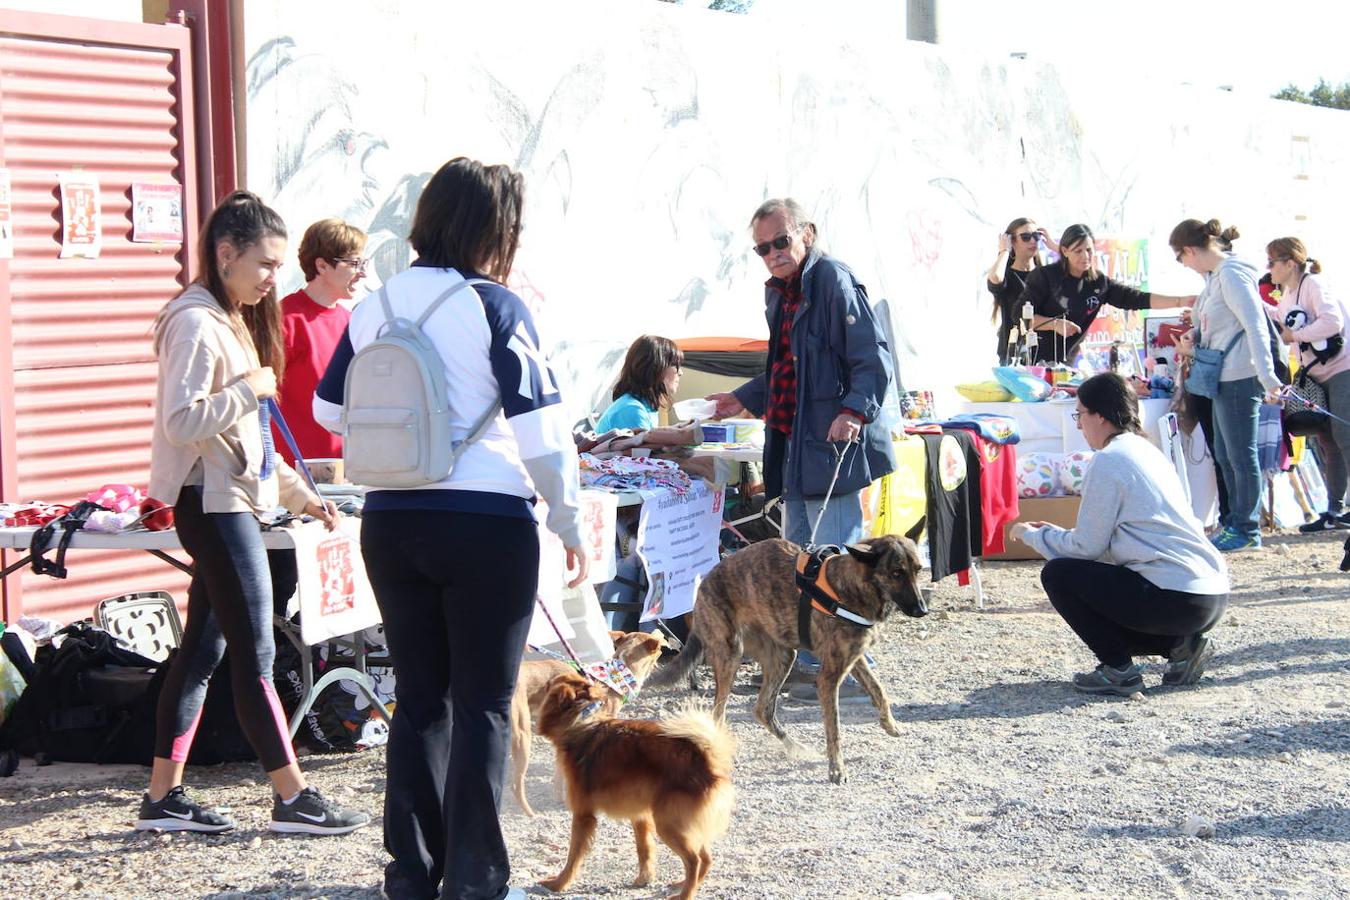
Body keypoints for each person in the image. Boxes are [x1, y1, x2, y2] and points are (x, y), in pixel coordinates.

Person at [315, 157, 588, 900]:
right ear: (495, 228)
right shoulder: (497, 305)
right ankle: (476, 880)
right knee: (485, 705)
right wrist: (568, 520)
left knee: (420, 698)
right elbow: (542, 433)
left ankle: (410, 872)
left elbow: (328, 410)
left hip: (392, 519)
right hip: (485, 520)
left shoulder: (374, 304)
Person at [136, 191, 369, 836]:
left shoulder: (229, 317)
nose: (274, 277)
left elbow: (253, 441)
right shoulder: (194, 322)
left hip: (231, 499)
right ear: (226, 253)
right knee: (255, 652)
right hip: (212, 505)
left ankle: (163, 797)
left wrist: (300, 495)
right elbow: (182, 422)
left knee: (203, 651)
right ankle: (292, 796)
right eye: (265, 264)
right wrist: (248, 387)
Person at [1011, 373, 1229, 696]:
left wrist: (1034, 536)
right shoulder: (1147, 450)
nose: (1079, 425)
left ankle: (1119, 669)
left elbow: (1086, 547)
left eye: (1080, 414)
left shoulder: (1109, 460)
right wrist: (1055, 534)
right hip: (1209, 593)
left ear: (1100, 416)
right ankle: (1179, 648)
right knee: (1104, 582)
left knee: (1059, 574)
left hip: (1175, 594)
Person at [707, 197, 896, 549]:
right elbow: (789, 370)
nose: (773, 253)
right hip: (797, 447)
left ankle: (834, 607)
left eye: (781, 241)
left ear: (806, 234)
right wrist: (740, 398)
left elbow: (872, 355)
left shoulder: (832, 279)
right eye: (763, 248)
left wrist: (854, 411)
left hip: (831, 444)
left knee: (831, 561)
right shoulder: (780, 294)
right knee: (796, 562)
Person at [1171, 219, 1282, 552]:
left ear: (1190, 250)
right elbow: (1220, 324)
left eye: (1181, 258)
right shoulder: (1217, 277)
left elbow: (1255, 326)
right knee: (1225, 452)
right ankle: (1236, 522)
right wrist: (1196, 336)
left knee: (1239, 453)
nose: (1184, 265)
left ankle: (1247, 528)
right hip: (1223, 375)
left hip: (1240, 376)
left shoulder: (1232, 274)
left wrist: (1268, 377)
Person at [1022, 223, 1194, 364]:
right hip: (1032, 362)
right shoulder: (1044, 276)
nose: (1085, 256)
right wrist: (1054, 324)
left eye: (1089, 250)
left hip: (1066, 364)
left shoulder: (1099, 282)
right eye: (1078, 251)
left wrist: (1181, 301)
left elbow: (1135, 298)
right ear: (1065, 251)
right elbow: (1020, 317)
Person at [1268, 236, 1350, 532]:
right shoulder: (1288, 295)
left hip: (1343, 367)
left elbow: (1332, 322)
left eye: (1272, 262)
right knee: (1327, 440)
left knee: (1344, 434)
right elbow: (1280, 321)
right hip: (1317, 373)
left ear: (1290, 263)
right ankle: (1334, 512)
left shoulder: (1314, 284)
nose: (1269, 268)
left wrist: (1294, 337)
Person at [272, 217, 368, 465]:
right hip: (296, 477)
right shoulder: (285, 320)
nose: (362, 273)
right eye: (354, 263)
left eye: (363, 263)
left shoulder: (354, 321)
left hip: (349, 470)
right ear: (322, 266)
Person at [986, 217, 1054, 364]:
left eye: (1036, 236)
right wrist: (1004, 250)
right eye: (1025, 237)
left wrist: (1054, 246)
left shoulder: (1046, 275)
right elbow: (995, 277)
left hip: (1047, 357)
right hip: (1015, 358)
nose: (1033, 241)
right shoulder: (1008, 276)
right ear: (1013, 241)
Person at [594, 334, 683, 432]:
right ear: (655, 368)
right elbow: (643, 447)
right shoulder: (632, 409)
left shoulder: (642, 406)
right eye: (675, 366)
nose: (680, 373)